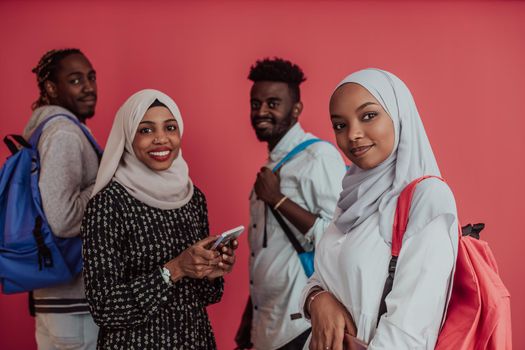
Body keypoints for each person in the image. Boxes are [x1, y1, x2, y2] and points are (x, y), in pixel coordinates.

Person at [301, 68, 459, 350]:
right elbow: (321, 277)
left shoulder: (428, 199)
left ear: (399, 115)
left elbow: (407, 333)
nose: (353, 134)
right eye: (340, 125)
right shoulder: (353, 197)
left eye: (368, 115)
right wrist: (317, 300)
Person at [81, 89, 237, 349]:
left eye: (170, 127)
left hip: (194, 340)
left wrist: (211, 271)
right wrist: (175, 269)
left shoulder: (192, 196)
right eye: (146, 130)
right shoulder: (107, 204)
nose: (161, 139)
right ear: (128, 136)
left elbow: (205, 296)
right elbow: (105, 308)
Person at [236, 58, 346, 350]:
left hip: (301, 325)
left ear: (296, 109)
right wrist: (251, 316)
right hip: (267, 325)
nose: (261, 112)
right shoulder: (272, 165)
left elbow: (341, 240)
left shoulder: (318, 158)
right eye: (255, 103)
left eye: (273, 103)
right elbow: (269, 252)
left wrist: (278, 199)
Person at [23, 48, 100, 350]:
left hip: (58, 301)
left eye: (91, 77)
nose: (89, 87)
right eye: (75, 80)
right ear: (52, 88)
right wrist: (109, 182)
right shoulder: (63, 133)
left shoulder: (55, 129)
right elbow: (63, 217)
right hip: (72, 308)